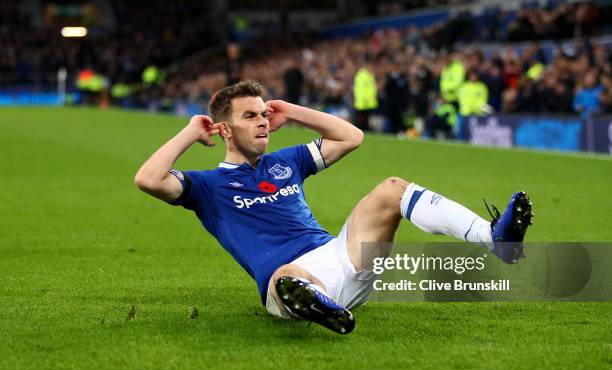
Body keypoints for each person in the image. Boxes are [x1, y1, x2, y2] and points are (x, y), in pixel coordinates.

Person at [135, 79, 533, 335]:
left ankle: (493, 237)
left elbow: (351, 137)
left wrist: (290, 112)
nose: (261, 122)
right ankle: (323, 308)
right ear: (224, 129)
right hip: (290, 276)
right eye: (250, 116)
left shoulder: (285, 162)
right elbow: (149, 179)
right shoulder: (208, 186)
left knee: (391, 189)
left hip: (342, 255)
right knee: (285, 279)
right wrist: (189, 132)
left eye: (262, 114)